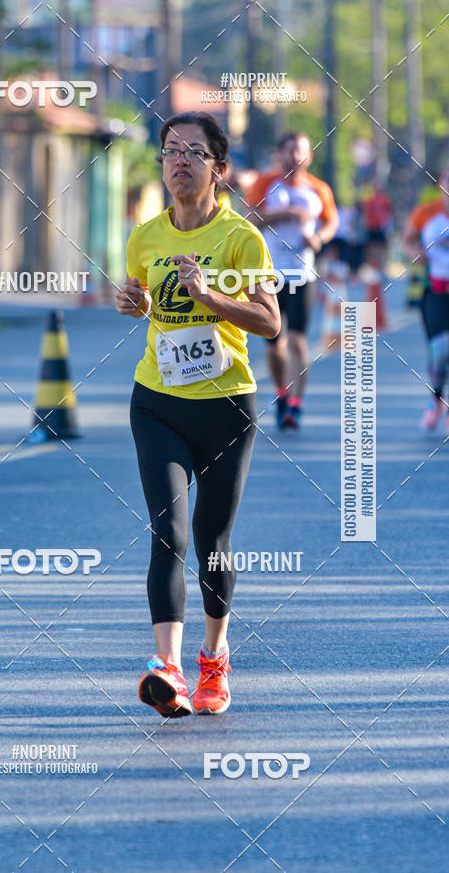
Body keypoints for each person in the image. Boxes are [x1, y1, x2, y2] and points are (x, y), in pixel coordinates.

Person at [115, 111, 280, 717]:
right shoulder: (145, 237)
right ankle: (170, 668)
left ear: (219, 168)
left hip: (226, 406)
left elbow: (270, 322)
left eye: (193, 152)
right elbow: (141, 301)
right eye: (169, 151)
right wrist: (131, 302)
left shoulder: (241, 239)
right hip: (157, 402)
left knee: (212, 542)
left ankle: (214, 657)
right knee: (169, 534)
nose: (179, 161)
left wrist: (211, 296)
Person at [244, 133, 339, 429]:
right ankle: (281, 391)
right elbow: (249, 218)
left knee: (298, 341)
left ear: (309, 156)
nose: (295, 155)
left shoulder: (318, 189)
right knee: (275, 345)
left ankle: (296, 404)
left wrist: (319, 238)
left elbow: (331, 221)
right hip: (269, 275)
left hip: (303, 275)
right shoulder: (266, 183)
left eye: (300, 150)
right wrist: (285, 214)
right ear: (280, 154)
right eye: (289, 150)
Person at [401, 165, 449, 433]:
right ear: (441, 182)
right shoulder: (426, 213)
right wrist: (415, 252)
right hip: (436, 291)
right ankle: (437, 400)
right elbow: (406, 240)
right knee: (440, 351)